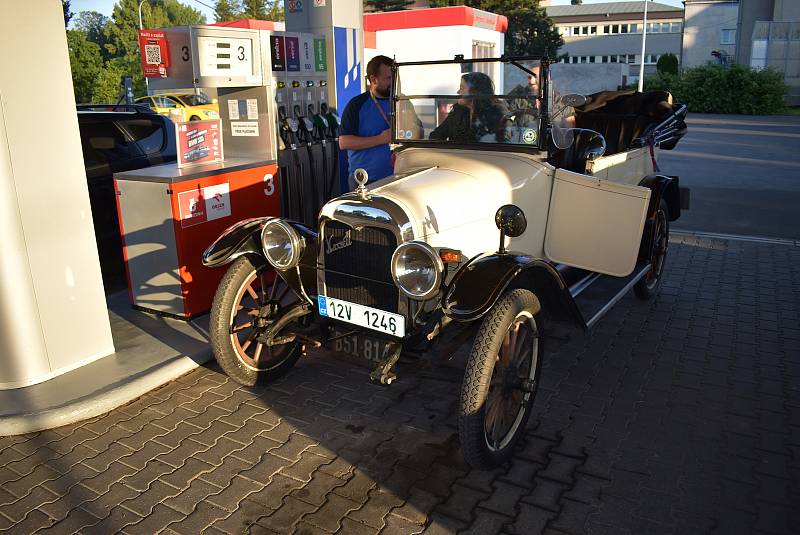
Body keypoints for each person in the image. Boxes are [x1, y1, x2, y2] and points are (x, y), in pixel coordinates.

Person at [339, 55, 394, 189]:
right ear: (374, 79)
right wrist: (381, 139)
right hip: (365, 182)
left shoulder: (401, 102)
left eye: (394, 77)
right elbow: (344, 142)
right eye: (388, 78)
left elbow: (418, 131)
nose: (393, 82)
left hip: (397, 178)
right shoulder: (356, 105)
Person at [429, 72, 508, 143]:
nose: (458, 92)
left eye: (462, 88)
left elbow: (499, 144)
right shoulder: (458, 111)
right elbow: (436, 136)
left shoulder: (496, 114)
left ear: (475, 91)